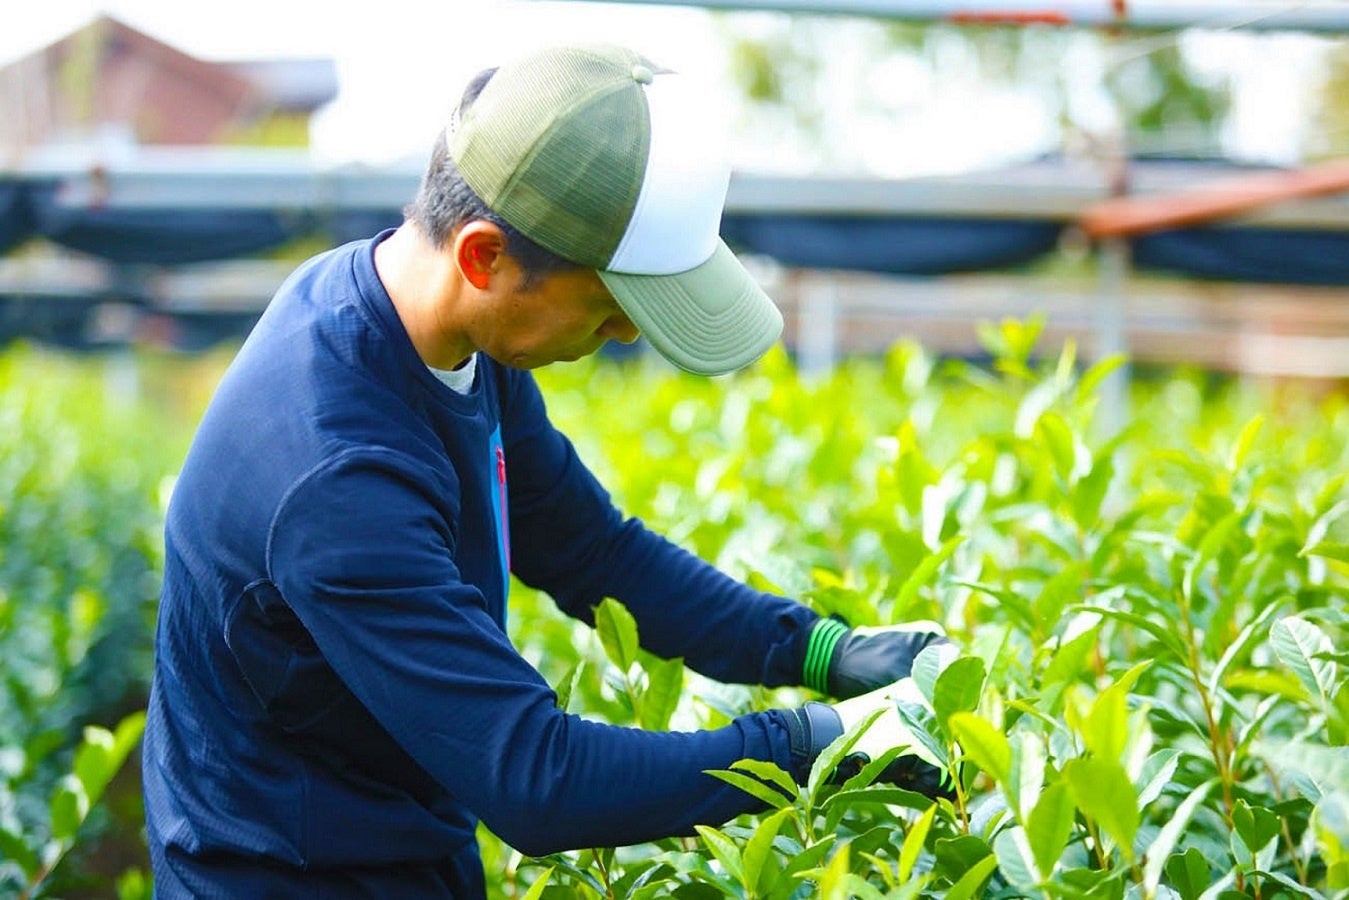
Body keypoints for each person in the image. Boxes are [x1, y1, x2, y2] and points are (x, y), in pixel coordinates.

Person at [142, 42, 949, 898]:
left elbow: (590, 552)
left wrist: (822, 651)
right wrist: (816, 743)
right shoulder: (333, 474)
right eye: (609, 310)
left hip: (408, 848)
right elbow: (537, 779)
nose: (629, 337)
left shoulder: (450, 334)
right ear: (483, 257)